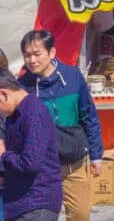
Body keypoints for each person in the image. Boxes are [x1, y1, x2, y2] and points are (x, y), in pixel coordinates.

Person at [19, 30, 102, 221]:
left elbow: (89, 116)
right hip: (41, 170)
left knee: (80, 215)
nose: (31, 60)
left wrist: (97, 155)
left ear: (52, 53)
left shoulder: (72, 77)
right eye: (27, 55)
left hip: (75, 163)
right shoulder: (22, 86)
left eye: (37, 54)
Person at [0, 69, 63, 221]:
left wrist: (3, 155)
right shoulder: (14, 115)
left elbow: (30, 162)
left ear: (3, 94)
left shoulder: (33, 113)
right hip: (19, 201)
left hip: (37, 202)